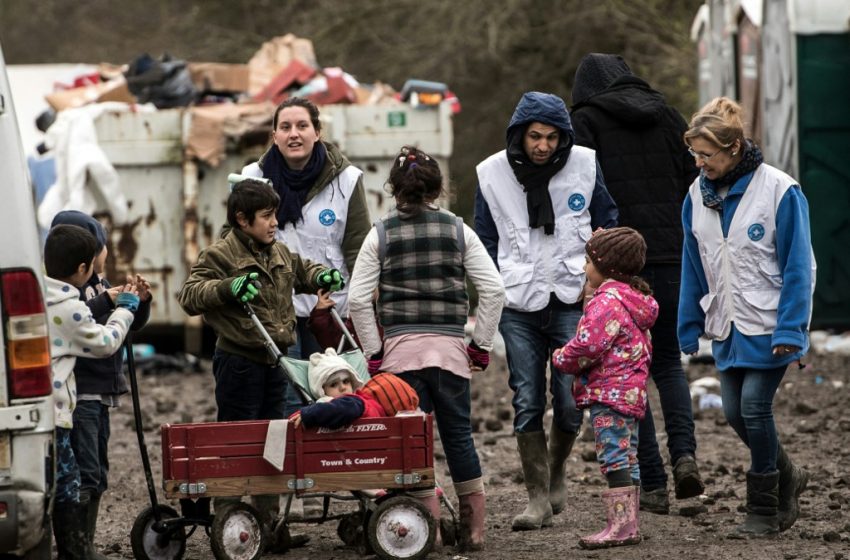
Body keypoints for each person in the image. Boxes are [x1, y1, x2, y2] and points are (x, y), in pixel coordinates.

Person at [474, 91, 618, 531]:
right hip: (518, 301)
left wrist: (599, 282)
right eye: (535, 136)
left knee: (573, 399)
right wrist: (492, 287)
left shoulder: (585, 165)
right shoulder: (492, 173)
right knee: (526, 398)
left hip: (572, 297)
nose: (543, 146)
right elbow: (483, 240)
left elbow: (606, 221)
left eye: (552, 138)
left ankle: (556, 473)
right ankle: (536, 496)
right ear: (519, 135)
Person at [350, 146, 505, 551]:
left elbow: (356, 300)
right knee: (459, 440)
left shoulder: (379, 235)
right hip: (452, 357)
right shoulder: (458, 230)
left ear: (393, 189)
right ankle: (474, 532)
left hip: (400, 362)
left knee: (413, 445)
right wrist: (481, 346)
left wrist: (374, 352)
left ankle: (429, 533)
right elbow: (493, 289)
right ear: (438, 188)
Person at [176, 179, 345, 547]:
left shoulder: (279, 252)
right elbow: (189, 296)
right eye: (266, 216)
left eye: (275, 215)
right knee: (236, 443)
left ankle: (269, 528)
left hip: (276, 362)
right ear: (242, 219)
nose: (273, 223)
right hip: (239, 362)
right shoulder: (220, 255)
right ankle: (229, 525)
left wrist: (321, 277)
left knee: (273, 443)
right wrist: (228, 287)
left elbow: (303, 269)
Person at [569, 53, 704, 514]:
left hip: (619, 266)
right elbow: (694, 184)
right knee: (668, 364)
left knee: (630, 374)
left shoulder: (585, 121)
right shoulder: (668, 115)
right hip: (671, 258)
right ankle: (685, 457)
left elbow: (582, 190)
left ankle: (652, 484)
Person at [678, 97, 815, 537]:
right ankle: (789, 475)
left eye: (708, 155)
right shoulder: (695, 198)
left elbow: (799, 264)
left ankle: (764, 508)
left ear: (734, 147)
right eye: (694, 155)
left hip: (770, 322)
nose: (700, 163)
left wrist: (792, 327)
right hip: (727, 323)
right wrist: (688, 322)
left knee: (755, 408)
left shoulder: (779, 190)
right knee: (734, 412)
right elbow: (694, 261)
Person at [241, 97, 371, 380]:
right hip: (274, 305)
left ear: (317, 132)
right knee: (288, 390)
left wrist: (366, 299)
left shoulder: (347, 179)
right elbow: (237, 240)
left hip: (328, 304)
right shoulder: (252, 177)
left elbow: (358, 245)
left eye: (302, 125)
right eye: (285, 127)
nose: (294, 134)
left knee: (327, 388)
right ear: (275, 136)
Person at [49, 210, 153, 558]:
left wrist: (139, 303)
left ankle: (84, 542)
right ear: (84, 261)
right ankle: (79, 546)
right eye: (100, 252)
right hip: (83, 395)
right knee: (85, 473)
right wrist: (112, 303)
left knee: (99, 472)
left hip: (102, 392)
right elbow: (86, 320)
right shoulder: (67, 297)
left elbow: (128, 325)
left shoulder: (98, 285)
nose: (103, 261)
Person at [552, 227, 658, 549]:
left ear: (606, 267)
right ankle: (630, 523)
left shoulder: (605, 303)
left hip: (608, 393)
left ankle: (621, 527)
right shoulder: (634, 302)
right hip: (631, 393)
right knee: (628, 454)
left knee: (613, 456)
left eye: (588, 261)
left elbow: (587, 347)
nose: (584, 268)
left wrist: (560, 357)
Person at [290, 372, 419, 429]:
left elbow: (340, 409)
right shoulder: (383, 420)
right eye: (334, 385)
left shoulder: (362, 403)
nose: (342, 387)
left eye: (346, 381)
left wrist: (309, 414)